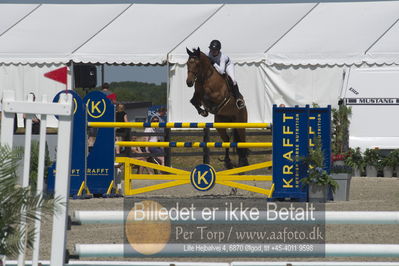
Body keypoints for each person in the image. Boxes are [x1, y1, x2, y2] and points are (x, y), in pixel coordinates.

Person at [208, 39, 245, 109]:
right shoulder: (208, 53)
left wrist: (213, 63)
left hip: (227, 66)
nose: (213, 52)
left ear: (219, 50)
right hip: (217, 67)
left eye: (215, 50)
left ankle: (238, 98)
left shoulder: (222, 57)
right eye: (211, 50)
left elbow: (222, 71)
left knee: (233, 80)